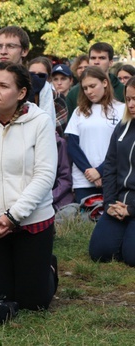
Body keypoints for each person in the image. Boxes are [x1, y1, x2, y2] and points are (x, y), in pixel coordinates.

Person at [0, 62, 58, 311]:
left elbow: (45, 175)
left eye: (4, 86)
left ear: (21, 93)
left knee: (32, 305)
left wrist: (13, 216)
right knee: (0, 302)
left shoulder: (40, 122)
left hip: (30, 222)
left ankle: (47, 268)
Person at [89, 76, 135, 266]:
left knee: (132, 257)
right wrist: (109, 203)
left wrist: (131, 210)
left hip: (132, 206)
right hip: (118, 202)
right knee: (99, 253)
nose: (131, 104)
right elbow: (110, 167)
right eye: (129, 99)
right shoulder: (123, 127)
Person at [65, 66, 125, 203]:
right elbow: (72, 145)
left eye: (92, 86)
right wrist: (89, 171)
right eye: (85, 88)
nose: (89, 92)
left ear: (104, 83)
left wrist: (100, 171)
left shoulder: (121, 110)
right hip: (84, 180)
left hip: (113, 177)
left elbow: (122, 146)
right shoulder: (79, 112)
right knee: (86, 221)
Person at [0, 26, 56, 124]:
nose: (3, 52)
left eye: (10, 46)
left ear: (24, 51)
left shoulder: (41, 85)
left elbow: (48, 127)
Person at [66, 43, 125, 118]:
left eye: (102, 58)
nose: (96, 62)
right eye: (93, 58)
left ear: (110, 62)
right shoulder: (74, 93)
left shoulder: (123, 91)